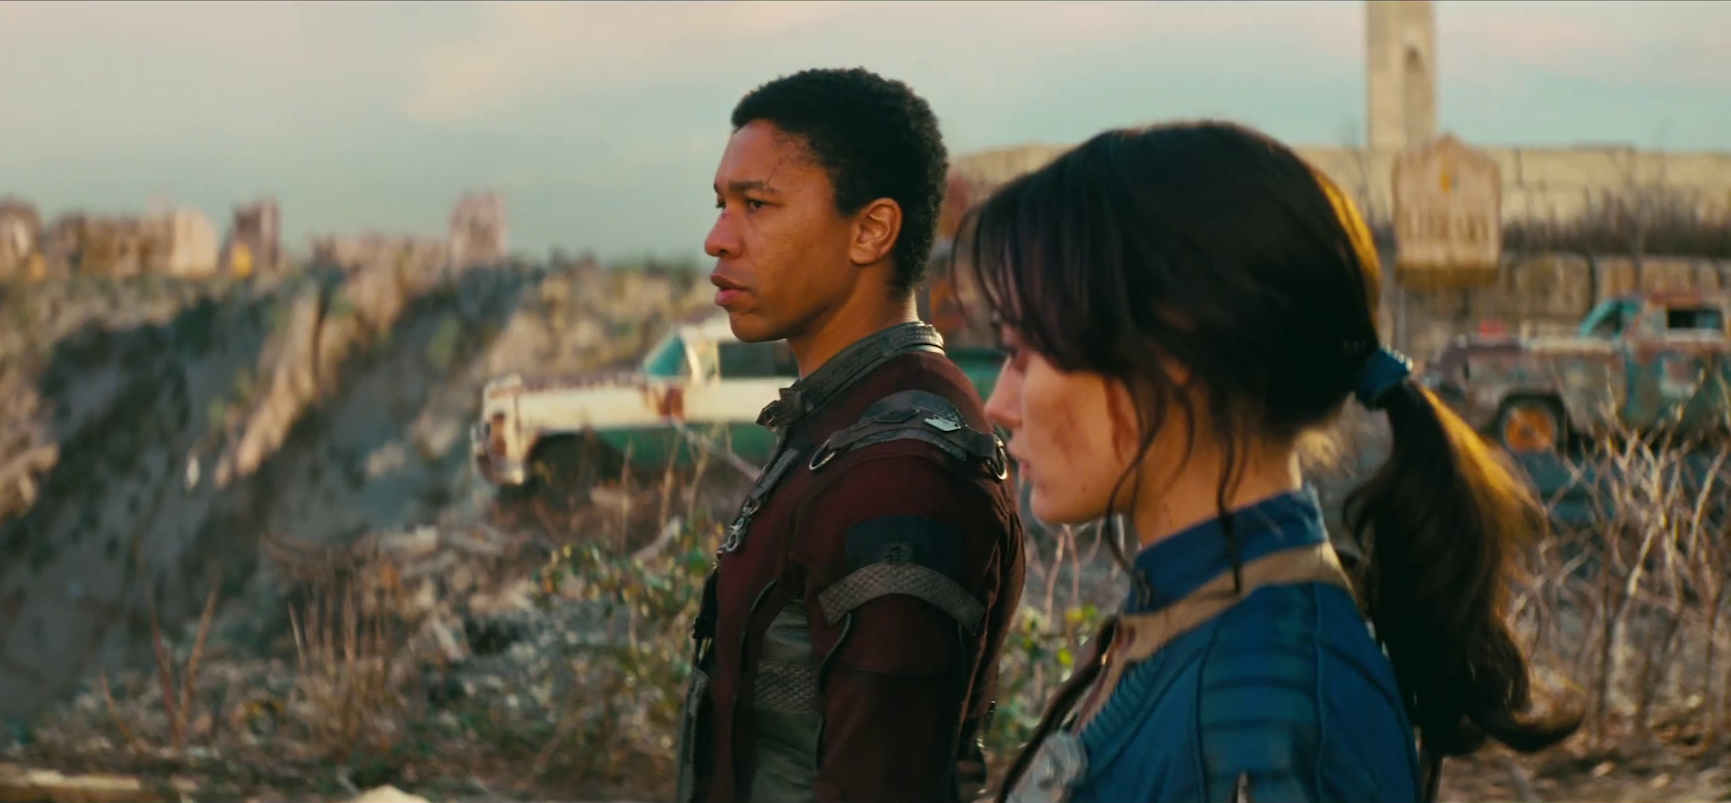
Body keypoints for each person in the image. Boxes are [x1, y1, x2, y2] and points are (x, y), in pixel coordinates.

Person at [966, 121, 1584, 803]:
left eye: (1023, 352)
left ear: (1176, 359)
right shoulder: (1198, 622)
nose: (998, 403)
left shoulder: (1264, 726)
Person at [675, 67, 1028, 803]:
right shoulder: (845, 417)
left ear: (871, 230)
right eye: (721, 205)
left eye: (756, 205)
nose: (717, 239)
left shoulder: (901, 469)